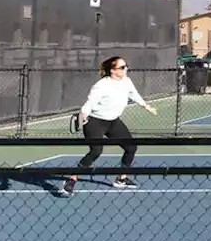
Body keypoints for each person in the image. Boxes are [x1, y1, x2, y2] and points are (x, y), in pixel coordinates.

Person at [60, 55, 157, 197]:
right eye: (122, 67)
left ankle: (121, 179)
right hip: (95, 122)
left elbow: (134, 94)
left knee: (131, 147)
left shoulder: (127, 81)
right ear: (113, 70)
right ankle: (71, 180)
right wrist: (84, 114)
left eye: (126, 66)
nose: (126, 69)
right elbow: (90, 102)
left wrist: (146, 106)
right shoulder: (101, 85)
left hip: (113, 122)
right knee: (96, 151)